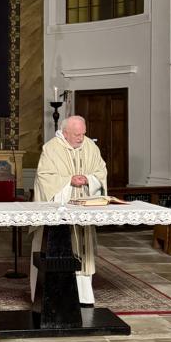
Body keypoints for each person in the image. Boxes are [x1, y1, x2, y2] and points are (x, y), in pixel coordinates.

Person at [33, 115, 107, 305]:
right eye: (76, 134)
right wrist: (68, 181)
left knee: (83, 248)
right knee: (60, 247)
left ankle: (84, 297)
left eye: (83, 134)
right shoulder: (51, 149)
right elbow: (44, 177)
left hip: (84, 208)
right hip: (61, 209)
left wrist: (89, 179)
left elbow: (101, 171)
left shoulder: (90, 146)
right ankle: (56, 295)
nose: (81, 138)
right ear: (65, 133)